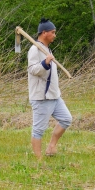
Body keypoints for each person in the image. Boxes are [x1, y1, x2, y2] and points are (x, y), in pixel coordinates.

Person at [27, 18, 72, 159]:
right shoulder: (34, 49)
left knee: (66, 119)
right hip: (42, 98)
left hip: (54, 96)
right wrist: (45, 63)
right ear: (44, 33)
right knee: (39, 130)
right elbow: (33, 70)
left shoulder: (46, 48)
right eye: (52, 32)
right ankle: (39, 160)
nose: (54, 35)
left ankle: (51, 147)